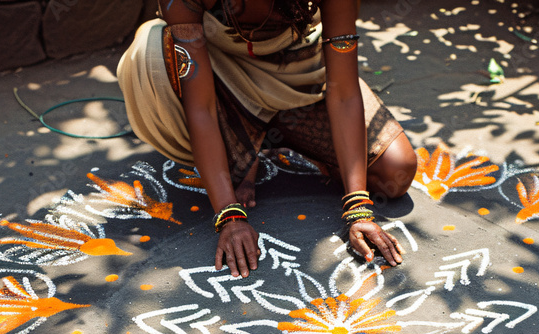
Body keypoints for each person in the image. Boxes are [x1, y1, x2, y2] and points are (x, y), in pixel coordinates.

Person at [117, 0, 418, 278]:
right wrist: (229, 216)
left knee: (395, 171)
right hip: (226, 85)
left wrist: (358, 206)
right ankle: (249, 146)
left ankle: (268, 139)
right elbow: (202, 109)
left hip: (303, 82)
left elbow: (343, 92)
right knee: (154, 48)